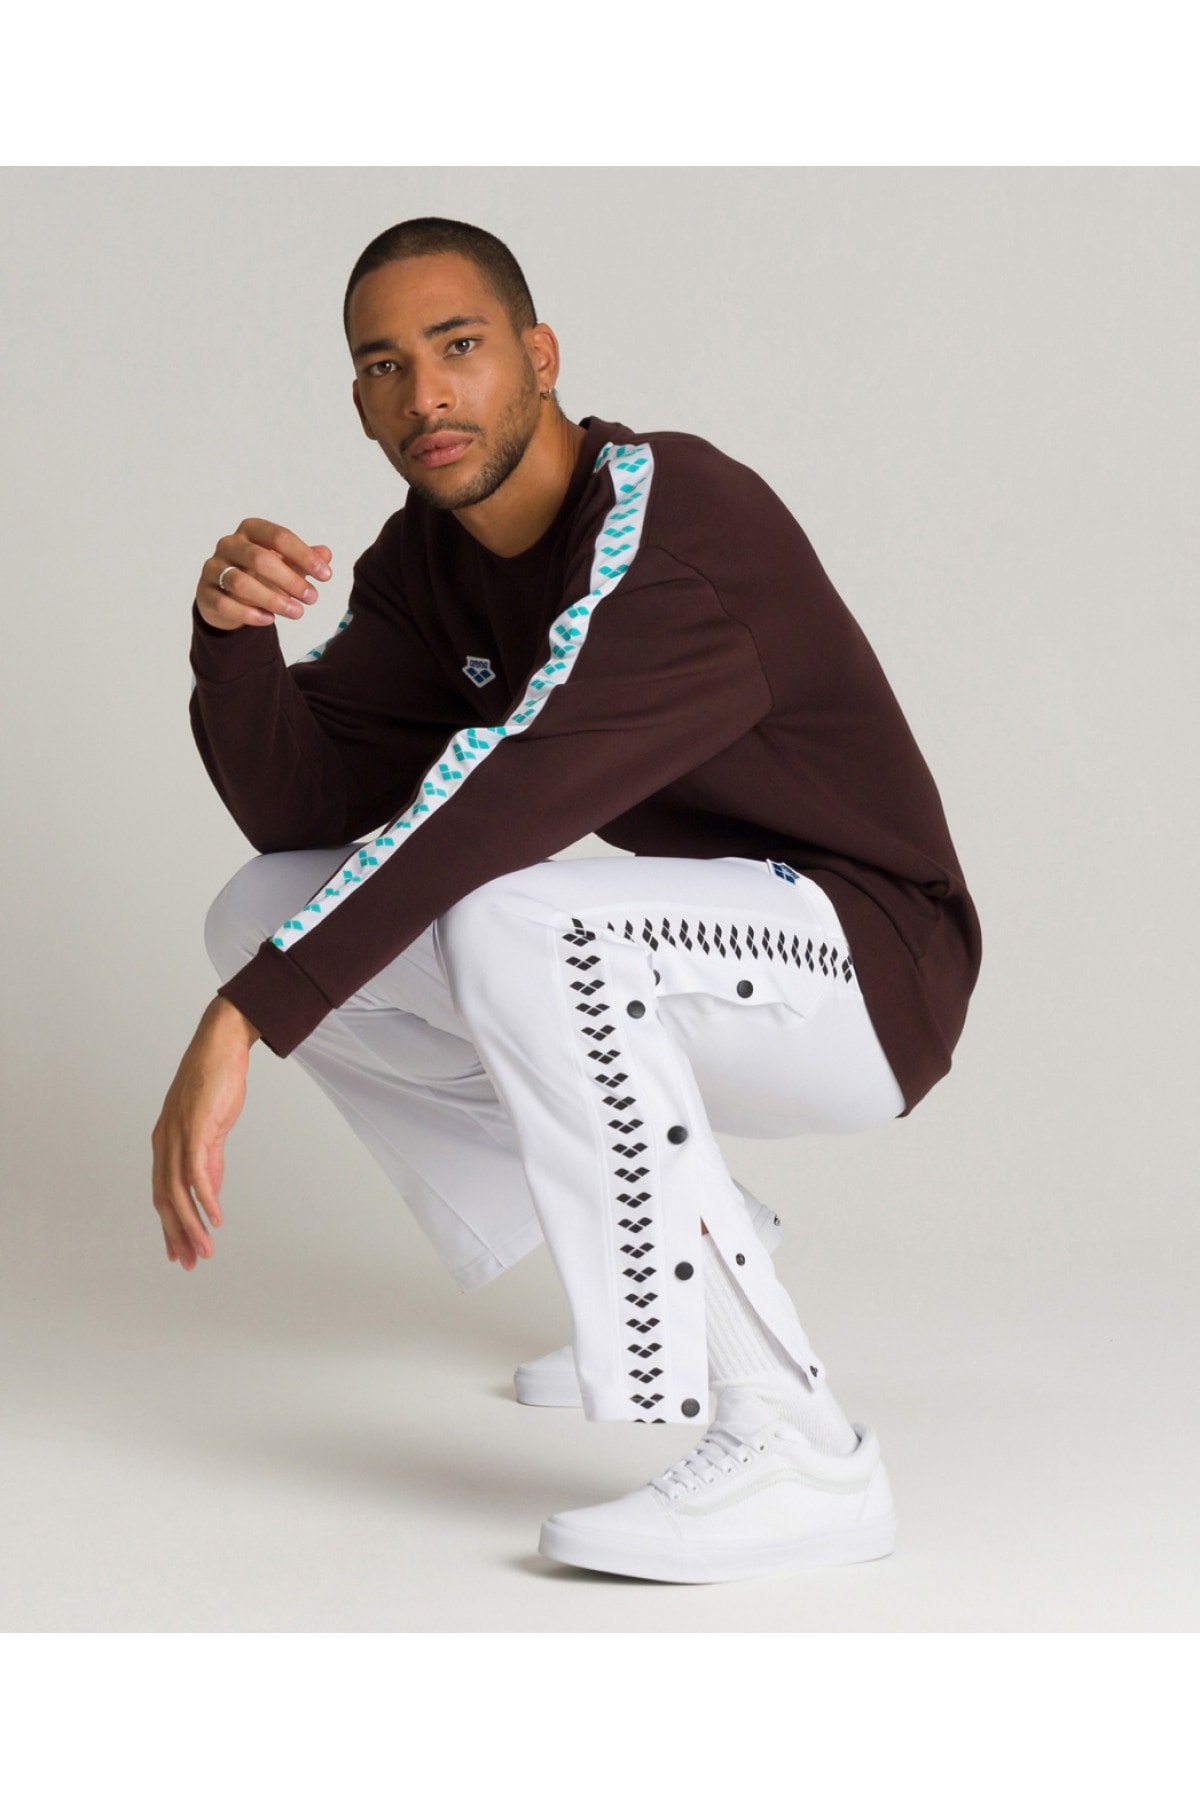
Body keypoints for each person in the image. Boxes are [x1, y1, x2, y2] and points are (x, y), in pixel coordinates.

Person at [152, 215, 982, 1584]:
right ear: (358, 401)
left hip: (873, 964)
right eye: (385, 365)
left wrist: (245, 1020)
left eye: (459, 346)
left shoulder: (679, 521)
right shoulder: (425, 565)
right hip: (710, 956)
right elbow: (314, 812)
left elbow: (508, 795)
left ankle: (801, 1450)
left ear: (539, 356)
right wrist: (232, 647)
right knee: (264, 908)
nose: (425, 394)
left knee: (501, 918)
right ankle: (698, 1240)